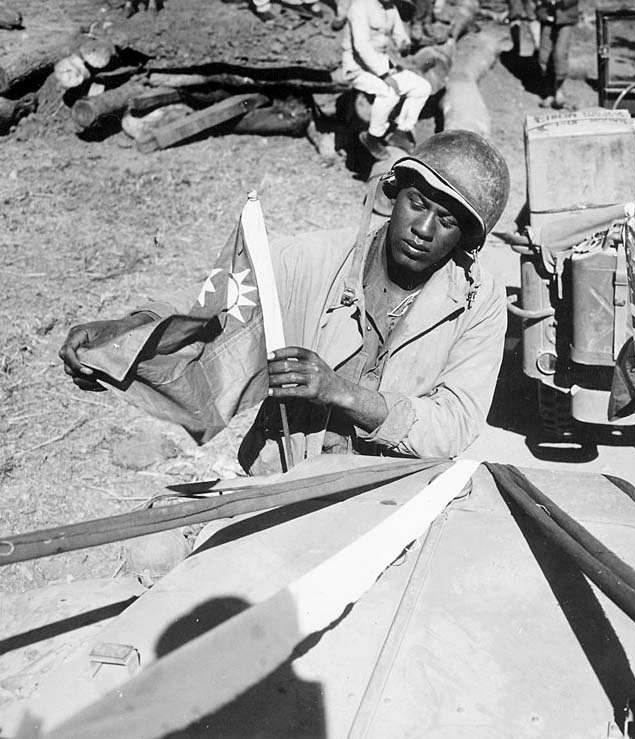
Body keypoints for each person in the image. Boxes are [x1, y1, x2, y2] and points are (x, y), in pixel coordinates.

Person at [60, 130, 510, 475]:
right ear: (395, 197)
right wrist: (124, 336)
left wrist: (341, 392)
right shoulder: (311, 259)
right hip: (285, 477)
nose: (424, 229)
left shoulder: (478, 302)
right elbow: (213, 307)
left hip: (395, 493)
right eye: (417, 203)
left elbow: (453, 425)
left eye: (446, 221)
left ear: (466, 239)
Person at [342, 0, 432, 159]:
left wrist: (404, 44)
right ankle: (372, 137)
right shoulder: (360, 7)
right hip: (358, 68)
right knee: (389, 91)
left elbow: (400, 36)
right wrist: (384, 75)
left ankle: (401, 132)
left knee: (422, 87)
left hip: (383, 65)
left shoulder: (390, 8)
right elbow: (361, 46)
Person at [535, 0, 579, 109]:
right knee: (543, 57)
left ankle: (559, 91)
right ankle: (549, 93)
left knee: (559, 54)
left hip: (565, 18)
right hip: (546, 17)